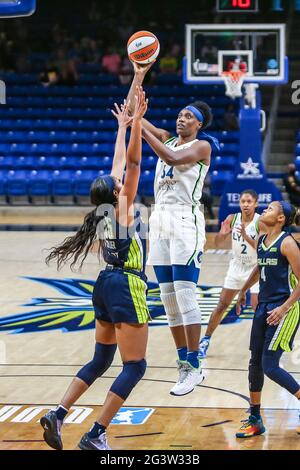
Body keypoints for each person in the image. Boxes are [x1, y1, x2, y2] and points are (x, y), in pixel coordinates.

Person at [40, 87, 150, 451]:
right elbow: (131, 165)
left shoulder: (103, 210)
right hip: (125, 285)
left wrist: (122, 127)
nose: (121, 180)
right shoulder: (123, 209)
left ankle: (58, 413)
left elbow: (119, 167)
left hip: (103, 286)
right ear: (117, 193)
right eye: (119, 184)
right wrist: (135, 126)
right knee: (134, 366)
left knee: (101, 358)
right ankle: (96, 433)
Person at [126, 61, 220, 396]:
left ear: (199, 124)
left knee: (185, 295)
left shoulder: (202, 147)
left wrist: (139, 125)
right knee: (167, 299)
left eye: (188, 117)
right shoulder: (166, 137)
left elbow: (170, 157)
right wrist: (138, 76)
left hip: (185, 222)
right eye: (180, 114)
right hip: (160, 220)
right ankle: (185, 365)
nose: (182, 119)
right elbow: (131, 109)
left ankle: (195, 363)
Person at [235, 201, 300, 438]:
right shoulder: (262, 240)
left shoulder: (288, 243)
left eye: (270, 209)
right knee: (255, 362)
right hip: (263, 307)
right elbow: (259, 267)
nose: (264, 210)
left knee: (269, 365)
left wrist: (284, 308)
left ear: (281, 218)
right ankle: (255, 418)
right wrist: (243, 290)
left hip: (284, 309)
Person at [199, 190, 265, 359]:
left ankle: (264, 343)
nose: (245, 204)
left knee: (257, 307)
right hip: (236, 267)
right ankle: (205, 340)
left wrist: (244, 234)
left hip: (254, 268)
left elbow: (260, 248)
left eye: (249, 201)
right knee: (222, 305)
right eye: (243, 201)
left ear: (256, 203)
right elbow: (218, 243)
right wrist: (221, 234)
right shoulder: (232, 218)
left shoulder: (261, 222)